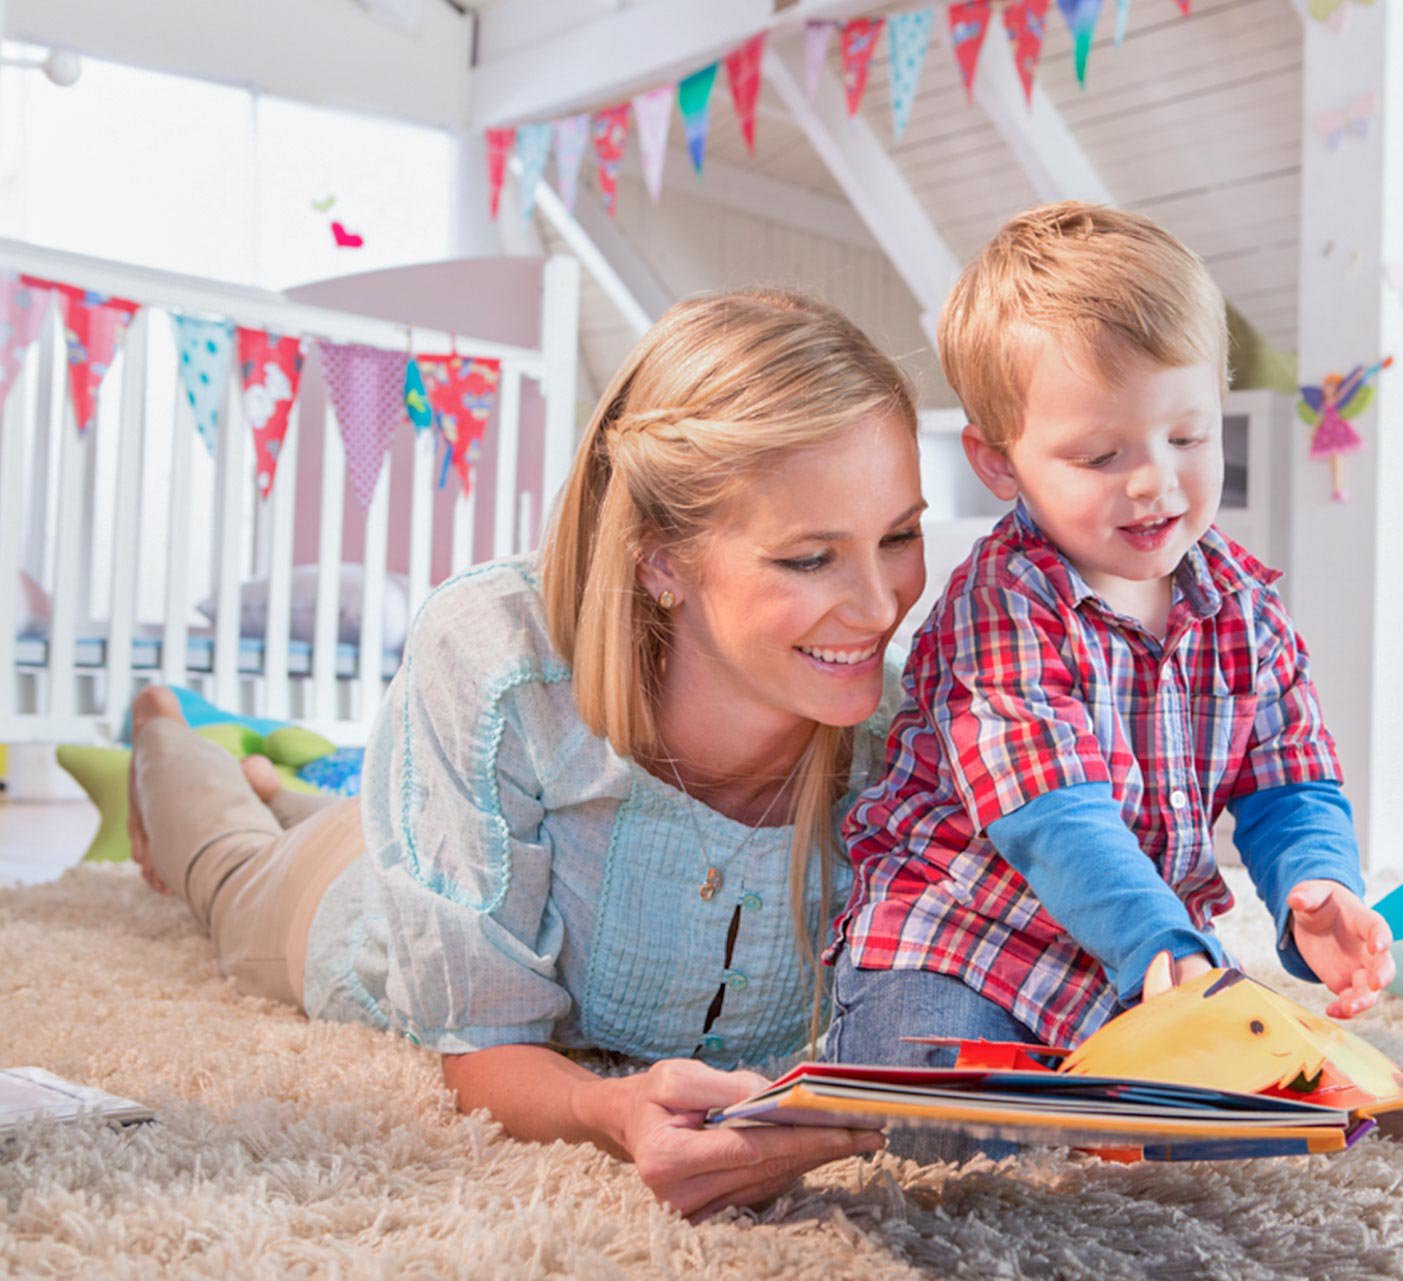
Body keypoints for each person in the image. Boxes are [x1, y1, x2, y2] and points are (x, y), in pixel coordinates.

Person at [124, 288, 931, 1218]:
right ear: (661, 558)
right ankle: (164, 735)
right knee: (226, 863)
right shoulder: (499, 659)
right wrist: (606, 1108)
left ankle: (287, 783)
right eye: (809, 558)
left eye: (901, 536)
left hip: (449, 833)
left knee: (337, 806)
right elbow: (481, 1041)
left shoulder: (909, 737)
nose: (880, 606)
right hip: (348, 913)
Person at [826, 202, 1403, 1163]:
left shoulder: (1245, 607)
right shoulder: (1001, 603)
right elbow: (1055, 816)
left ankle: (1380, 1102)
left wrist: (1318, 889)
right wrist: (1157, 941)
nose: (1155, 482)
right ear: (997, 462)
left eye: (1188, 436)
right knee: (939, 1116)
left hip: (1144, 969)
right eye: (1102, 455)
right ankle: (1098, 1101)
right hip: (961, 945)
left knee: (1229, 1094)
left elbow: (1291, 781)